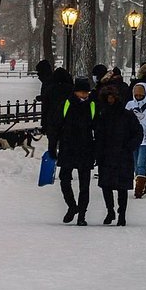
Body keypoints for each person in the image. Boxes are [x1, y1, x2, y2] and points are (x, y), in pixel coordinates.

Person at [48, 76, 97, 225]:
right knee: (65, 179)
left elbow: (97, 127)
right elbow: (55, 126)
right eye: (82, 92)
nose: (84, 95)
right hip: (68, 146)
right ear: (75, 92)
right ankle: (72, 206)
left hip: (86, 148)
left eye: (86, 93)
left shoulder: (92, 105)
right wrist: (52, 145)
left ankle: (82, 215)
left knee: (84, 184)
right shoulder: (66, 104)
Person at [95, 84, 143, 226]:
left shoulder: (126, 115)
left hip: (123, 155)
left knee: (122, 187)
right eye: (107, 98)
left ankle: (122, 214)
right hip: (106, 155)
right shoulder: (101, 115)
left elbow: (138, 133)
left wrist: (129, 147)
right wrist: (98, 153)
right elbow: (97, 135)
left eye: (112, 97)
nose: (110, 100)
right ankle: (110, 210)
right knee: (106, 186)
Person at [126, 82, 146, 198]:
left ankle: (139, 188)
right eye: (136, 95)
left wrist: (142, 117)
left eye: (141, 95)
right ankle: (140, 183)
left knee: (141, 163)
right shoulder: (130, 105)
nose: (138, 97)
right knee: (135, 164)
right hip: (133, 139)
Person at [35, 59, 55, 134]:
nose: (38, 75)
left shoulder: (48, 82)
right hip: (50, 119)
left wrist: (42, 97)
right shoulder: (48, 81)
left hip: (52, 119)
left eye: (39, 72)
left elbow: (49, 99)